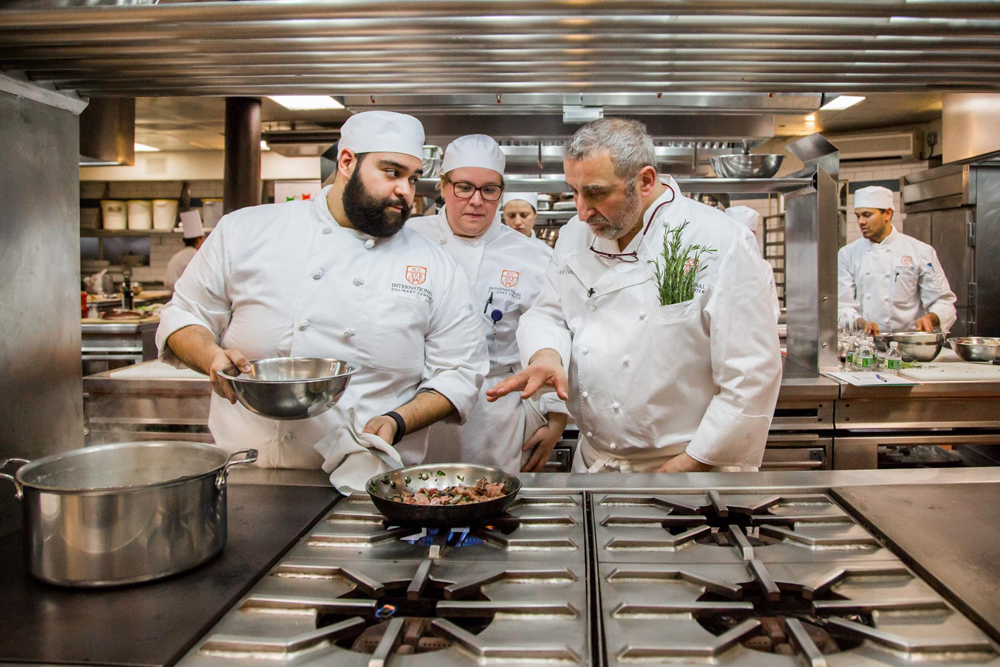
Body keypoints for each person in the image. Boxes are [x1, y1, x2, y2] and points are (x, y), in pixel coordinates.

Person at [155, 110, 487, 469]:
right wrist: (210, 356)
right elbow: (184, 314)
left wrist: (398, 420)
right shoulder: (245, 231)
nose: (405, 191)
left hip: (368, 476)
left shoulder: (434, 265)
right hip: (247, 470)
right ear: (346, 161)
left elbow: (460, 371)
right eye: (392, 173)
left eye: (413, 178)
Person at [488, 117, 782, 473]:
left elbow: (751, 376)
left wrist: (686, 466)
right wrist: (547, 354)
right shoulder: (573, 236)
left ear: (644, 181)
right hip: (594, 463)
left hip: (684, 468)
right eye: (573, 191)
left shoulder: (719, 242)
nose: (581, 211)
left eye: (596, 192)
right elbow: (548, 313)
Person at [398, 135, 568, 474]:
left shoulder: (534, 257)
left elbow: (557, 328)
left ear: (501, 193)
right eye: (464, 187)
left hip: (496, 411)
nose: (476, 201)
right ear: (443, 187)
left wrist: (556, 416)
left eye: (489, 190)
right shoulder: (404, 239)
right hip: (413, 404)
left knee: (493, 511)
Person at [838, 185, 957, 335]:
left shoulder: (920, 252)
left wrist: (931, 318)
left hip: (906, 346)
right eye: (858, 216)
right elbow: (843, 305)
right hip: (864, 346)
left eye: (867, 215)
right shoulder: (847, 254)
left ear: (887, 214)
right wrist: (860, 322)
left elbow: (943, 301)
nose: (861, 221)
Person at [725, 205, 782, 323]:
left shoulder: (764, 267)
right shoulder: (719, 264)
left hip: (757, 334)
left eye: (749, 236)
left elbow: (773, 309)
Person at [502, 191, 553, 256]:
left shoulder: (548, 254)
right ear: (504, 215)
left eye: (524, 215)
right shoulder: (493, 251)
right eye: (511, 215)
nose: (518, 222)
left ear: (535, 214)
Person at [164, 210, 205, 290]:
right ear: (197, 239)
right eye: (202, 238)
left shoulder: (181, 254)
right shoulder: (194, 255)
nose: (203, 241)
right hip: (183, 294)